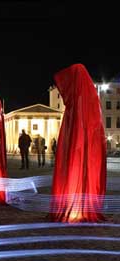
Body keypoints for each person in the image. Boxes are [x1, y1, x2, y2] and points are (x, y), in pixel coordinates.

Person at [50, 64, 106, 223]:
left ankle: (78, 207)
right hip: (81, 147)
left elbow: (83, 129)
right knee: (78, 170)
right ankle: (78, 205)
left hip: (80, 148)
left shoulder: (81, 100)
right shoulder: (82, 99)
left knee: (77, 169)